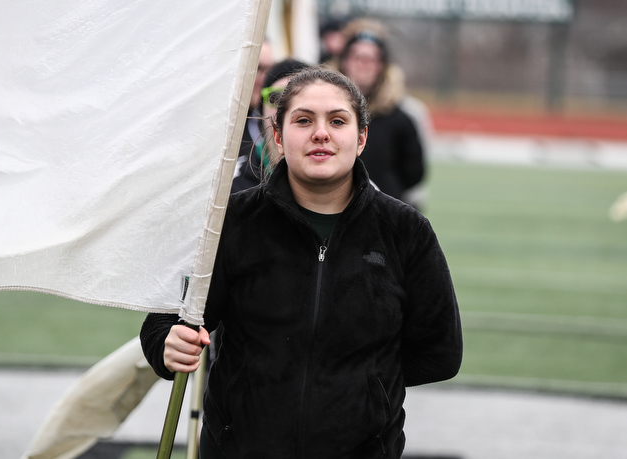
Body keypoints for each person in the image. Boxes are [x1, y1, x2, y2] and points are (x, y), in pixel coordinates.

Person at [141, 67, 462, 458]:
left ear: (361, 138)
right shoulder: (231, 222)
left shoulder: (405, 229)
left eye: (338, 121)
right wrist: (166, 343)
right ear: (277, 135)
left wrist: (361, 384)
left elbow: (440, 352)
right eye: (304, 120)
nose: (321, 133)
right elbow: (166, 320)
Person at [339, 19, 428, 208]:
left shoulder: (400, 118)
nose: (363, 65)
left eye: (371, 59)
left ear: (382, 66)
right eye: (357, 57)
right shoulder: (323, 114)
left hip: (383, 213)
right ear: (344, 61)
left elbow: (414, 172)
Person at [232, 39, 275, 193]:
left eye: (270, 70)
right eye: (258, 68)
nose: (265, 80)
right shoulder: (214, 131)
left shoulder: (266, 123)